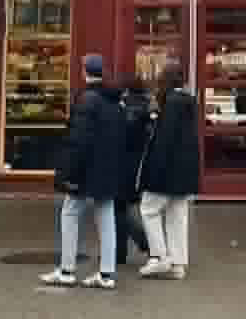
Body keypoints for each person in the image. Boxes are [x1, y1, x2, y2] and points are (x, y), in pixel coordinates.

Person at [42, 55, 128, 290]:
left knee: (70, 211)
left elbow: (78, 141)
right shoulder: (115, 100)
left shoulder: (86, 100)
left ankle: (67, 269)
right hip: (108, 169)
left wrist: (70, 172)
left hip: (87, 170)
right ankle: (106, 273)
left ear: (85, 71)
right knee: (106, 216)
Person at [137, 61, 200, 279]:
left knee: (148, 209)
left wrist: (153, 170)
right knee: (177, 214)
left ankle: (160, 256)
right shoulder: (189, 102)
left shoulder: (171, 103)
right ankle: (178, 263)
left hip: (166, 170)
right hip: (185, 171)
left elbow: (164, 140)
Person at [116, 75, 154, 265]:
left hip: (125, 165)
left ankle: (146, 243)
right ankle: (121, 252)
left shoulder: (127, 109)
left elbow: (123, 135)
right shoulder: (148, 106)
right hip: (140, 164)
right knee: (122, 207)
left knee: (119, 208)